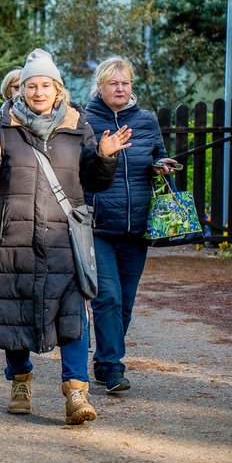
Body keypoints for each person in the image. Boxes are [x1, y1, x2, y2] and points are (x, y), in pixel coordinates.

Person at [0, 48, 131, 425]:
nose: (38, 92)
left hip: (64, 239)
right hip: (16, 236)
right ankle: (20, 382)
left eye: (45, 85)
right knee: (14, 310)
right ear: (21, 89)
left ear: (58, 89)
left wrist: (105, 157)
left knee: (72, 314)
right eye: (31, 85)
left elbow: (94, 182)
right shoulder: (4, 126)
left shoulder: (79, 125)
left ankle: (76, 391)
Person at [84, 57, 176, 393]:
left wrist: (160, 165)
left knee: (125, 301)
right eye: (113, 83)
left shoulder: (146, 120)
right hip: (99, 224)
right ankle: (112, 367)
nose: (120, 89)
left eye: (125, 83)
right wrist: (102, 154)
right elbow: (80, 168)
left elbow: (156, 154)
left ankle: (105, 357)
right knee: (107, 297)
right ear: (101, 86)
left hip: (137, 226)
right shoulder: (86, 119)